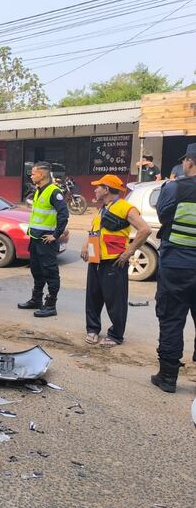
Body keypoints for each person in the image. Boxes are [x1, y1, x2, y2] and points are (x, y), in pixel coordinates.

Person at [81, 175, 151, 347]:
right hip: (96, 259)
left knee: (115, 300)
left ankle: (115, 335)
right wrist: (85, 246)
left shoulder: (125, 207)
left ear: (106, 189)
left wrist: (129, 252)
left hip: (114, 261)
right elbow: (95, 230)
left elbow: (145, 230)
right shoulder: (104, 208)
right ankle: (92, 329)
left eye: (98, 187)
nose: (95, 190)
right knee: (93, 297)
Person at [151, 143, 196, 393]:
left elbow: (163, 216)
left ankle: (168, 377)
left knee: (171, 319)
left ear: (188, 162)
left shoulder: (175, 188)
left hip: (177, 264)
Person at [18, 162, 69, 317]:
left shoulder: (54, 191)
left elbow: (63, 215)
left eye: (33, 173)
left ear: (42, 174)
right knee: (37, 271)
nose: (31, 176)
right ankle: (36, 299)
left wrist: (56, 234)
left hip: (47, 241)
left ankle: (51, 305)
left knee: (50, 272)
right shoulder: (39, 190)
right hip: (35, 238)